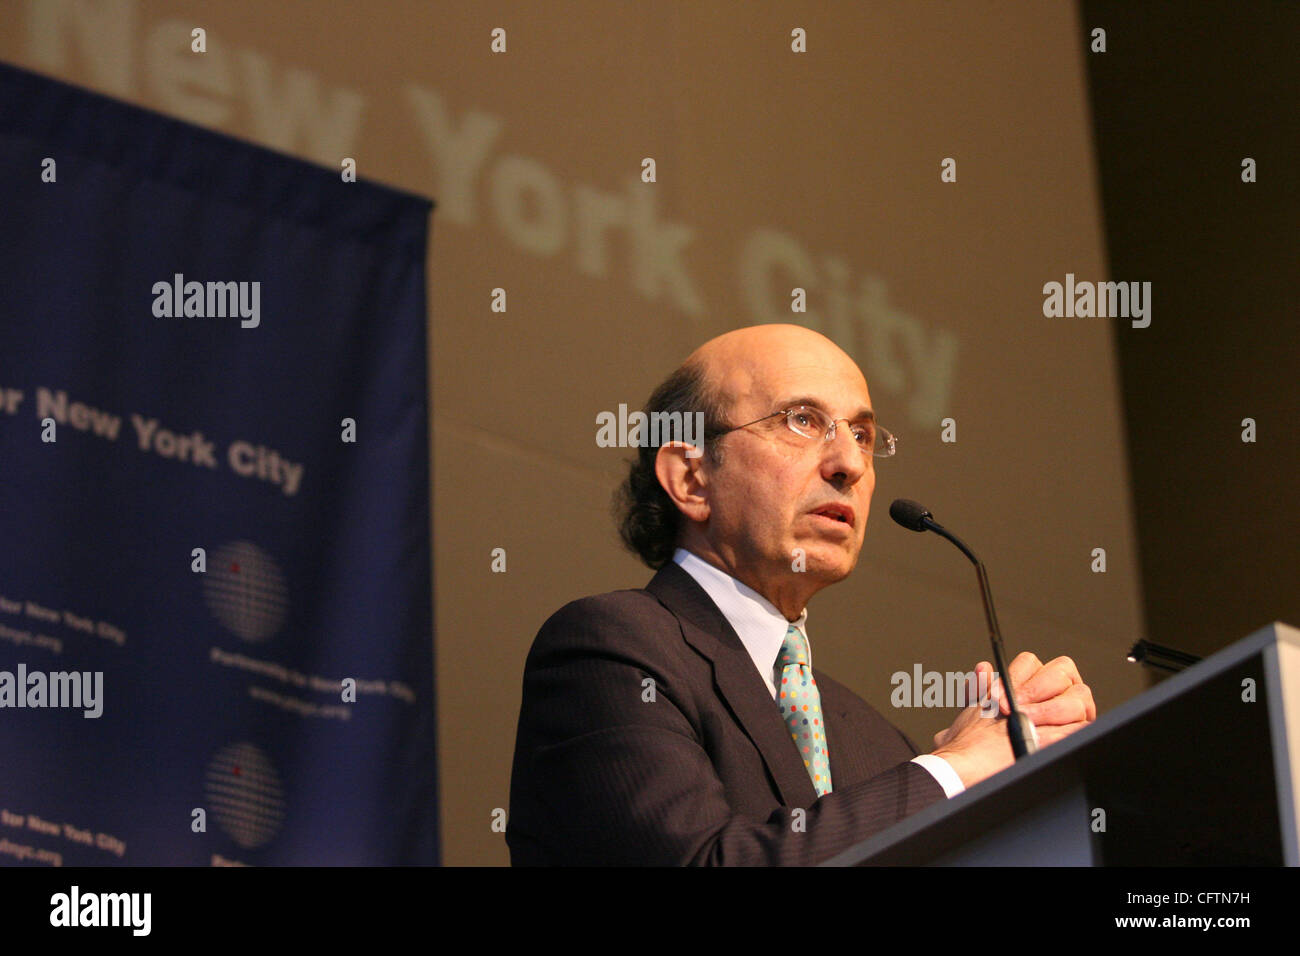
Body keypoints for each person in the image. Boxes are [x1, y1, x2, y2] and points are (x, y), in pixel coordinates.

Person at [506, 324, 1095, 865]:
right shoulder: (610, 650)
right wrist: (957, 767)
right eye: (801, 421)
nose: (848, 465)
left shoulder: (877, 742)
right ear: (690, 476)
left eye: (862, 435)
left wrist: (1008, 788)